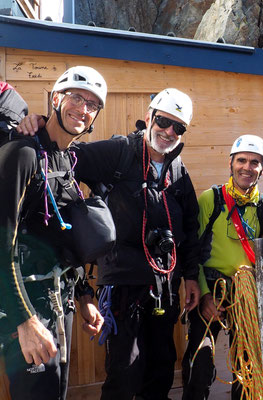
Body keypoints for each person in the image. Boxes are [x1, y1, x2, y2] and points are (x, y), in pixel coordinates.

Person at [17, 88, 202, 399]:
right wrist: (38, 126)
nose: (169, 132)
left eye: (178, 127)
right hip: (122, 286)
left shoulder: (178, 169)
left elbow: (192, 227)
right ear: (149, 118)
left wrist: (192, 276)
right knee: (124, 373)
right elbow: (62, 157)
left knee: (161, 369)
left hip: (165, 286)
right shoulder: (118, 152)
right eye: (164, 122)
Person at [0, 66, 106, 400]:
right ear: (56, 98)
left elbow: (62, 240)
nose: (83, 108)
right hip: (27, 310)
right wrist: (24, 321)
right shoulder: (23, 155)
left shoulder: (65, 162)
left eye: (92, 104)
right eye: (77, 97)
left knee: (56, 392)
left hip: (59, 304)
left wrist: (85, 296)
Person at [181, 135, 263, 400]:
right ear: (231, 163)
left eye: (255, 162)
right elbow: (193, 252)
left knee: (247, 367)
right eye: (242, 160)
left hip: (247, 294)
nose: (247, 167)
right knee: (199, 364)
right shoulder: (210, 200)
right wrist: (204, 295)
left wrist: (254, 279)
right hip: (210, 287)